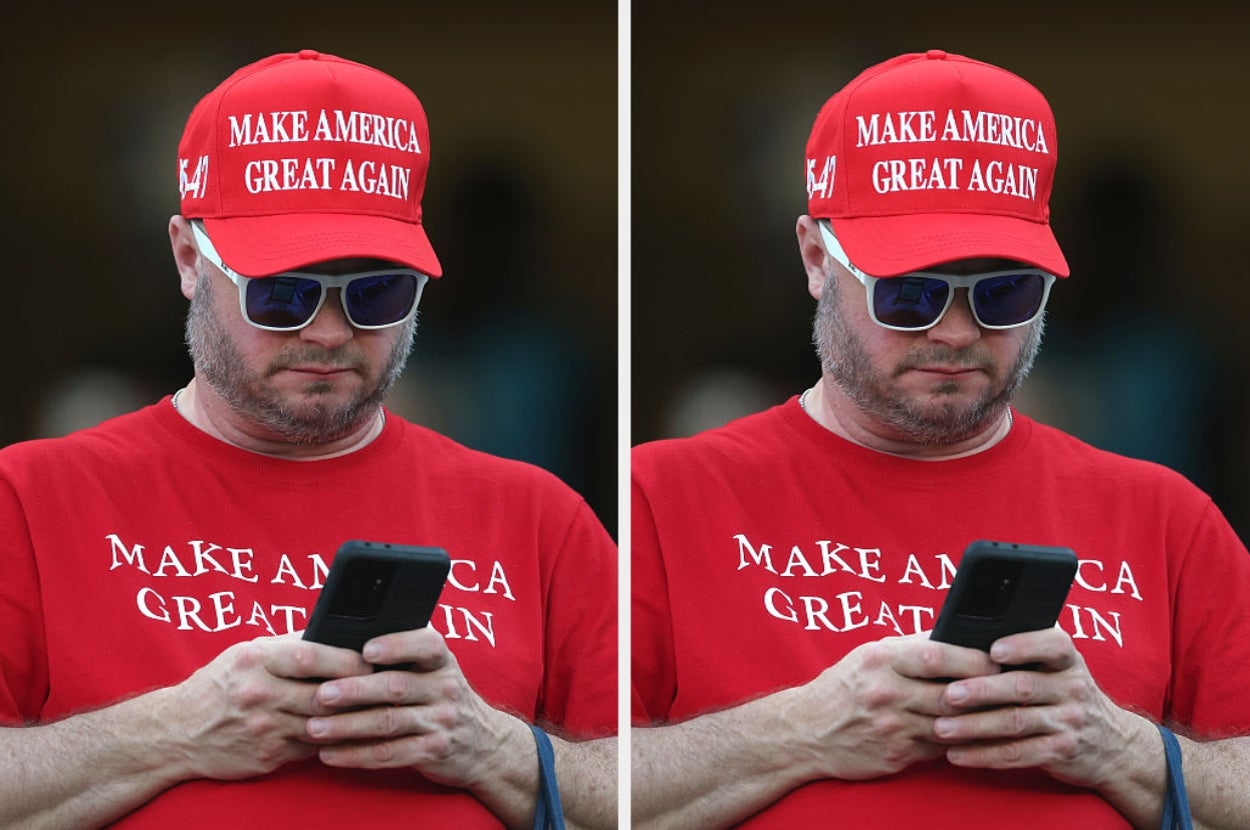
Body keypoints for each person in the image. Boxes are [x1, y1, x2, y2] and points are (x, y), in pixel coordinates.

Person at [631, 50, 1250, 828]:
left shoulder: (1166, 518)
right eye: (911, 292)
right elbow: (564, 787)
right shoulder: (660, 497)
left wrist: (1121, 746)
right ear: (816, 260)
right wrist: (795, 733)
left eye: (1005, 291)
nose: (957, 332)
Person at [0, 50, 616, 828]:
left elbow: (671, 791)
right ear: (189, 258)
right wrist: (167, 733)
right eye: (282, 293)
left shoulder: (537, 518)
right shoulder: (27, 499)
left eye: (377, 292)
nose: (329, 332)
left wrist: (493, 747)